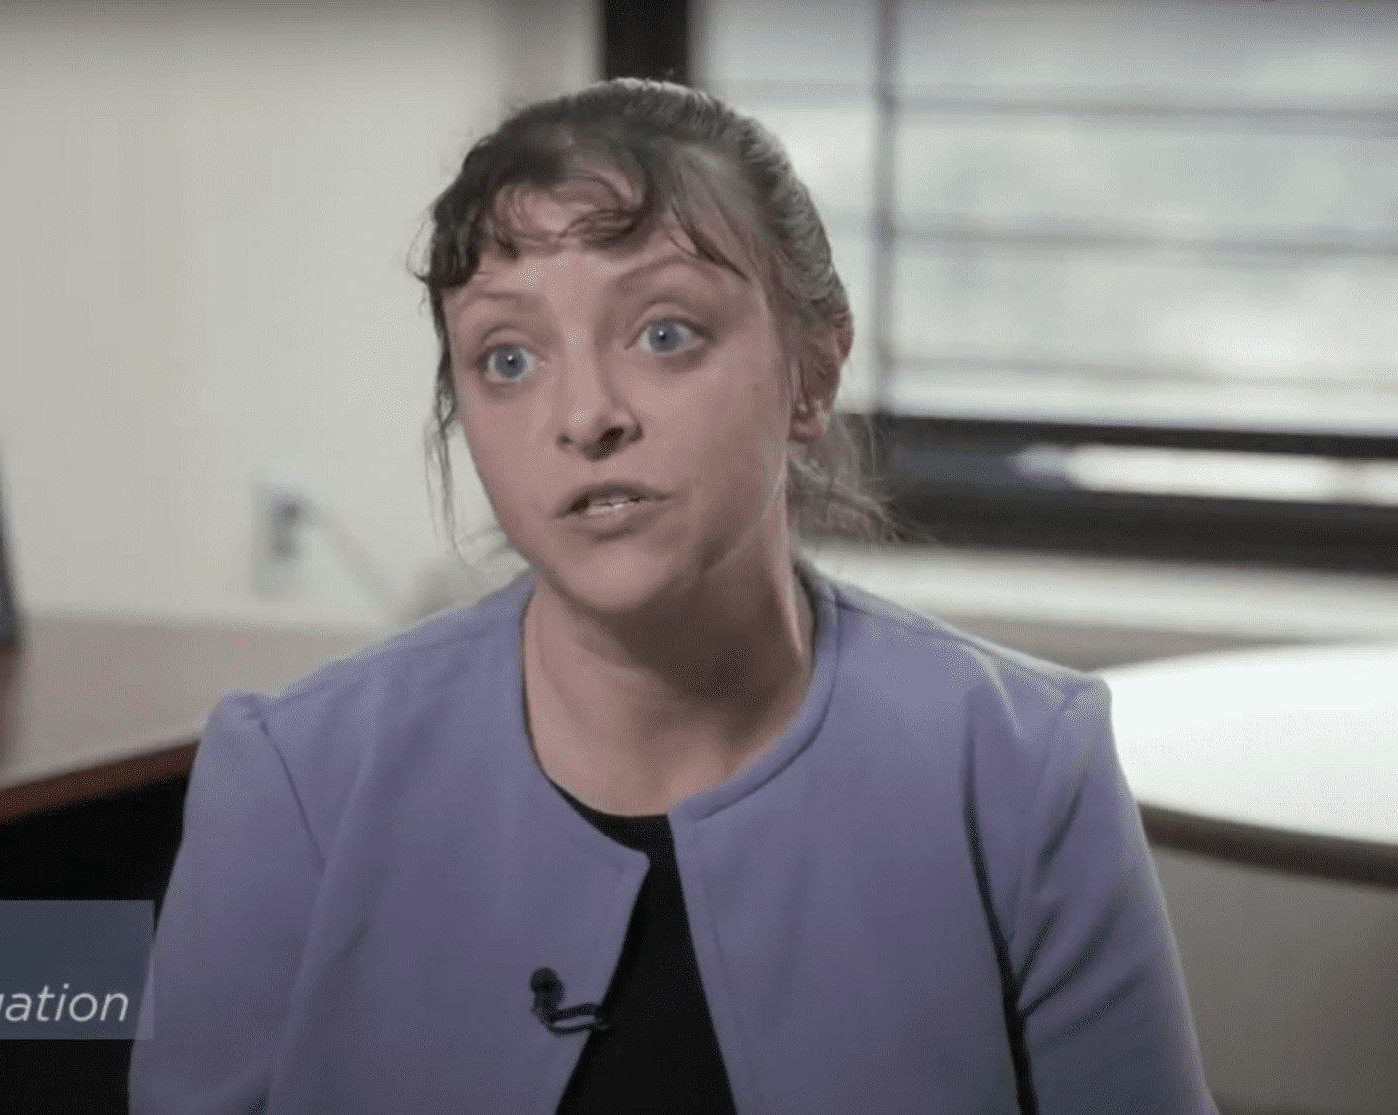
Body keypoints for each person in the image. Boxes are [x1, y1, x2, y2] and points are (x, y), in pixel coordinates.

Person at [130, 78, 1215, 1115]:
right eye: (506, 357)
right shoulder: (294, 778)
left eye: (663, 333)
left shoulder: (1023, 764)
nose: (584, 415)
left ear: (812, 372)